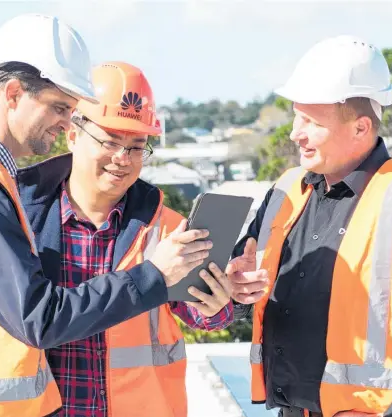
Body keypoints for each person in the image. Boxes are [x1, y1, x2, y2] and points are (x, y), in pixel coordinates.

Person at [0, 15, 211, 417]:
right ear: (14, 93)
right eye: (59, 107)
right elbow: (40, 318)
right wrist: (153, 275)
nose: (63, 121)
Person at [226, 35, 392, 417]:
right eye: (297, 116)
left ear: (361, 128)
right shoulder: (284, 191)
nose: (296, 132)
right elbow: (241, 293)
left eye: (311, 122)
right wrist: (237, 288)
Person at [16, 61, 234, 417]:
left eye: (136, 146)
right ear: (73, 134)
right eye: (110, 141)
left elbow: (206, 315)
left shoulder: (166, 226)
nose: (123, 159)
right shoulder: (23, 217)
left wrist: (220, 299)